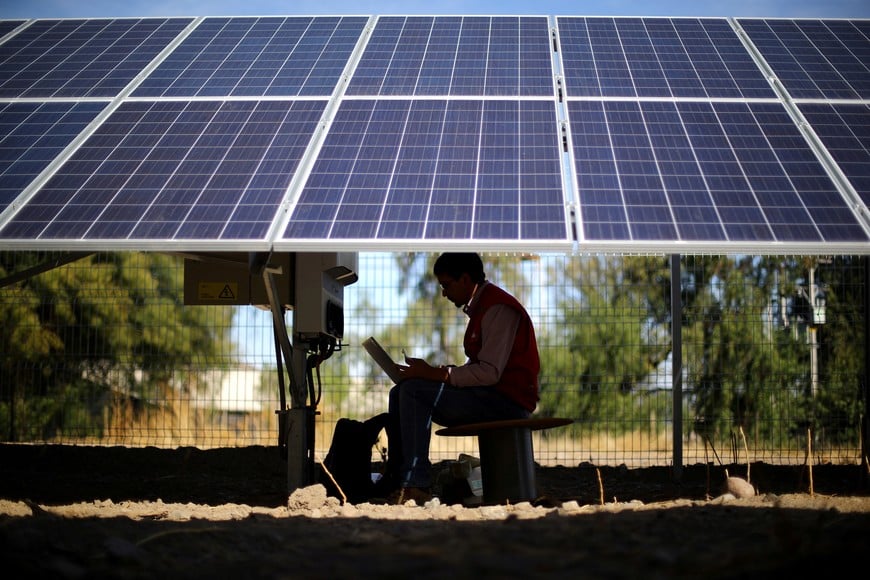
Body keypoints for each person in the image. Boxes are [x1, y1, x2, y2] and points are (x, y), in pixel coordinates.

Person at [382, 252, 540, 505]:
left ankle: (415, 484)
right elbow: (482, 371)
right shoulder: (486, 307)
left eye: (446, 285)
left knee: (411, 391)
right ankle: (401, 480)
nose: (444, 293)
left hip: (507, 402)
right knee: (401, 391)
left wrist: (434, 374)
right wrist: (434, 374)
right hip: (493, 396)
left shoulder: (498, 308)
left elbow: (488, 373)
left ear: (465, 279)